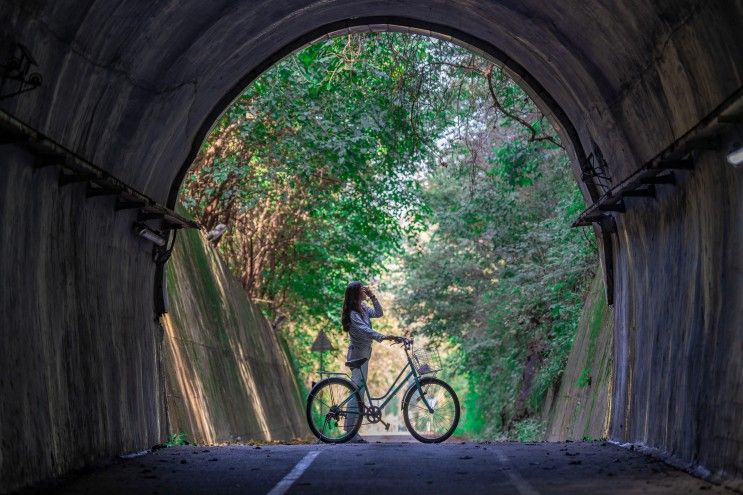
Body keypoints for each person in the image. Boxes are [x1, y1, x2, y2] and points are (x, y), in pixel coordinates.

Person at [341, 280, 395, 442]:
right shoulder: (353, 314)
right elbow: (365, 330)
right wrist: (382, 336)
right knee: (356, 393)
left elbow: (379, 313)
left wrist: (372, 296)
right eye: (362, 289)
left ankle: (351, 432)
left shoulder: (363, 309)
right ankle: (350, 433)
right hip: (357, 356)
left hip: (364, 355)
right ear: (356, 294)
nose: (365, 290)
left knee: (359, 392)